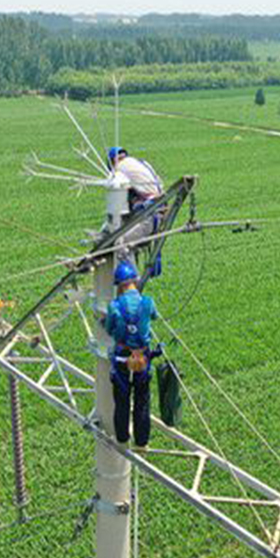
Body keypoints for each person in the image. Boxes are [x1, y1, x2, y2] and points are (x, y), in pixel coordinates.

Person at [104, 260, 160, 448]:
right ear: (135, 281)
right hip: (143, 358)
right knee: (142, 400)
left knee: (122, 401)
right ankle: (142, 441)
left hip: (122, 359)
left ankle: (122, 438)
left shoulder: (114, 306)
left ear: (119, 285)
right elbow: (154, 316)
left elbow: (109, 329)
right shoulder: (147, 302)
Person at [108, 147, 165, 271]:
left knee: (120, 245)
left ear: (112, 161)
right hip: (160, 208)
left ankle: (130, 283)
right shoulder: (141, 162)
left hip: (149, 214)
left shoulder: (119, 171)